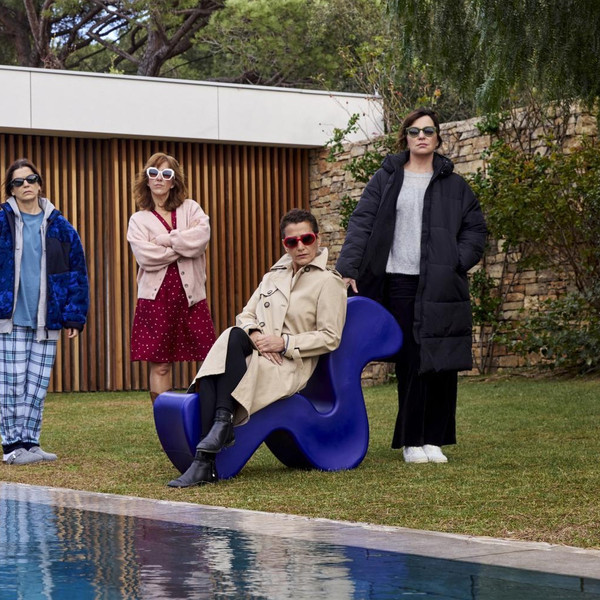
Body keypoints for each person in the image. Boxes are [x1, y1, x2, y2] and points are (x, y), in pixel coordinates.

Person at [336, 108, 487, 464]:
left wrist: (456, 261)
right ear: (405, 137)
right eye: (415, 131)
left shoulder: (455, 185)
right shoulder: (387, 178)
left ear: (437, 138)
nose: (422, 136)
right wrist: (348, 267)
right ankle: (411, 440)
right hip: (399, 282)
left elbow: (475, 229)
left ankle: (434, 439)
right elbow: (362, 222)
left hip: (441, 282)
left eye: (428, 131)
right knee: (412, 359)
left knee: (442, 360)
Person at [168, 208, 347, 487]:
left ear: (318, 239)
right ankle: (222, 426)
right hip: (258, 353)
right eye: (292, 241)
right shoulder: (272, 277)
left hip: (290, 365)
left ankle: (205, 460)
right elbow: (246, 315)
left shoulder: (329, 282)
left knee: (217, 370)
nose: (300, 246)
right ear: (285, 245)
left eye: (307, 239)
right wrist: (255, 334)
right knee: (232, 336)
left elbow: (330, 337)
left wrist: (284, 343)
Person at [0, 158, 89, 465]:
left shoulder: (61, 227)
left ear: (39, 184)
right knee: (12, 384)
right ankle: (12, 447)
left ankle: (31, 442)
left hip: (46, 318)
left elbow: (77, 273)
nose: (25, 185)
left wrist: (74, 315)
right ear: (11, 189)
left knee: (36, 386)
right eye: (18, 182)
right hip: (9, 318)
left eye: (31, 179)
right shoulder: (2, 222)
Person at [127, 153, 216, 403]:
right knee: (161, 365)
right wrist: (184, 247)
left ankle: (202, 417)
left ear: (174, 181)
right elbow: (146, 257)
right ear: (146, 179)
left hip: (192, 298)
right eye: (153, 173)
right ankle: (164, 422)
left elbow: (201, 237)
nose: (159, 179)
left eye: (166, 174)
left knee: (208, 360)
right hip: (155, 300)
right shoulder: (138, 220)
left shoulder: (191, 208)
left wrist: (166, 240)